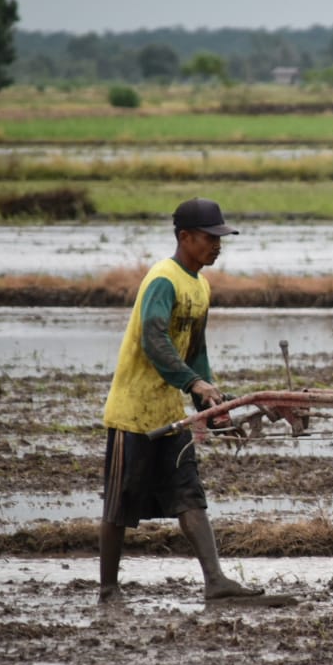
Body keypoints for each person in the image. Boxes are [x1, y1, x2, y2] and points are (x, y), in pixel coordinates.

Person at [98, 197, 263, 603]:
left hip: (169, 412)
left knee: (189, 493)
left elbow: (195, 352)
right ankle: (108, 588)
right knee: (122, 502)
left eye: (221, 238)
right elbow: (155, 340)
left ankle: (216, 581)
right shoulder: (163, 280)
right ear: (184, 237)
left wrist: (210, 405)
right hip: (133, 412)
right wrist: (192, 383)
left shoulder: (201, 285)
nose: (217, 245)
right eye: (210, 237)